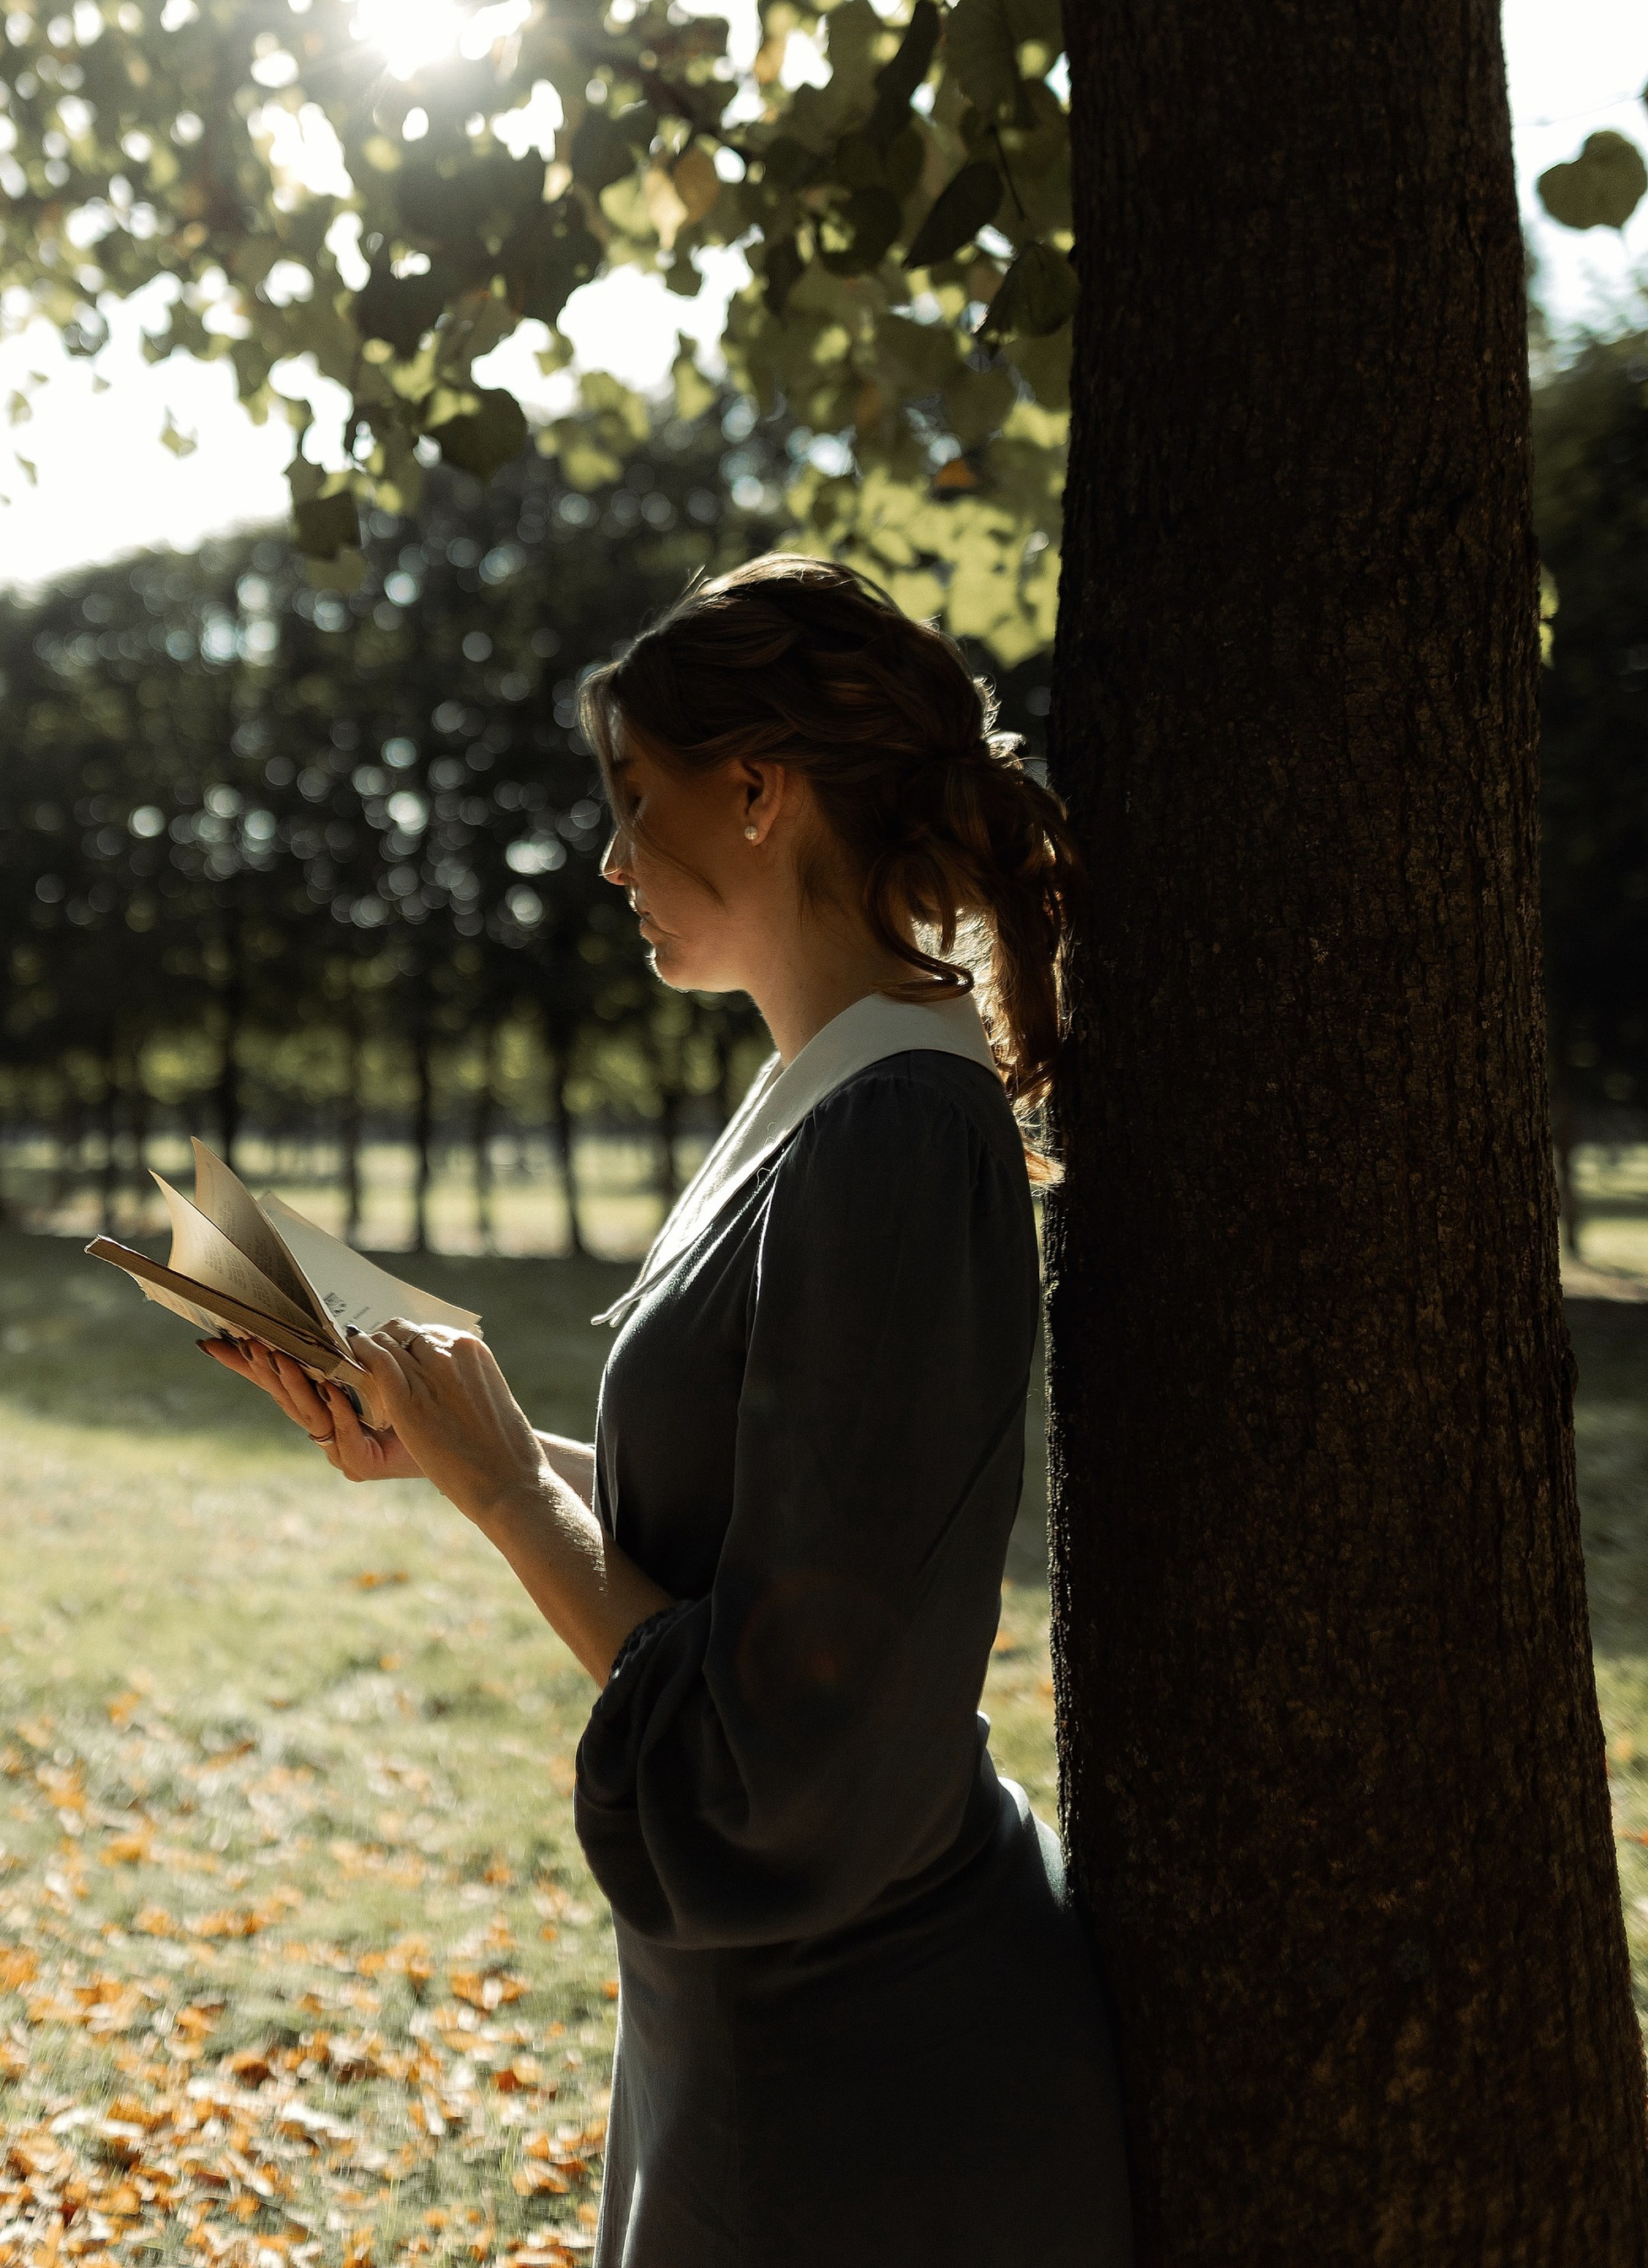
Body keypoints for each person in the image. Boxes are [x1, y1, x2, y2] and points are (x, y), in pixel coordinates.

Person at [202, 553, 1134, 2264]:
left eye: (636, 799)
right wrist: (460, 1454)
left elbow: (785, 1745)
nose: (612, 858)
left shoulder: (892, 1132)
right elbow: (768, 1540)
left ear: (759, 789)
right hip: (765, 2026)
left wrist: (510, 1495)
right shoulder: (816, 1096)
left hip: (869, 2074)